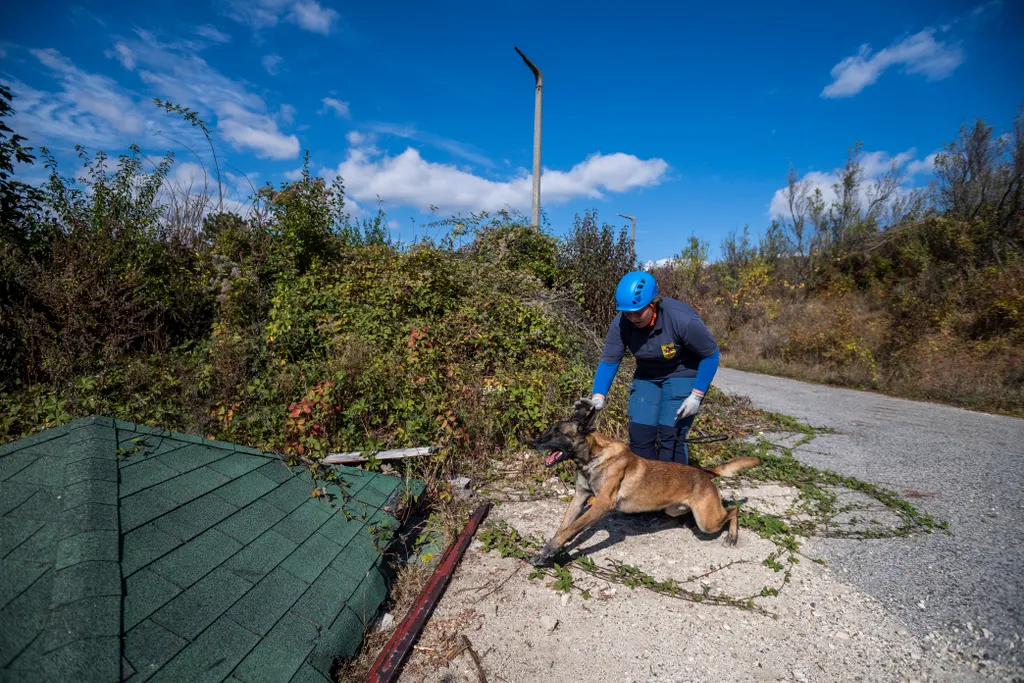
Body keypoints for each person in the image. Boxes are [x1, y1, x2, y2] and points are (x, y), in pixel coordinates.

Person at [576, 270, 720, 465]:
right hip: (647, 376)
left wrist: (696, 396)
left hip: (682, 373)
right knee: (640, 437)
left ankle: (676, 492)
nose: (633, 318)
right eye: (628, 313)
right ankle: (646, 491)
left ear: (653, 303)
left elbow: (711, 354)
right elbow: (610, 361)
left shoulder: (681, 319)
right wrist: (598, 396)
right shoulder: (621, 324)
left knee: (671, 437)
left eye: (639, 312)